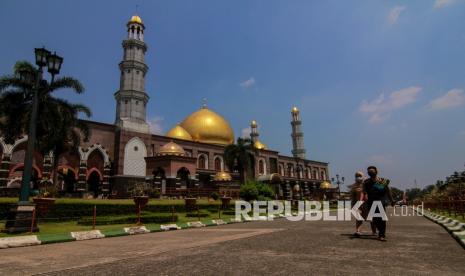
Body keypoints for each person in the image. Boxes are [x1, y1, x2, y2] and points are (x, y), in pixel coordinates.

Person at [362, 166, 395, 241]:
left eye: (372, 171)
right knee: (374, 219)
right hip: (371, 202)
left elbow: (388, 191)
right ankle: (381, 232)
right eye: (369, 172)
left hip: (381, 201)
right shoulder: (366, 182)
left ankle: (382, 234)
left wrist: (392, 200)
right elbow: (364, 191)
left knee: (382, 219)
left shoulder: (382, 181)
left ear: (376, 171)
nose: (370, 173)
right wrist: (365, 196)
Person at [350, 171, 376, 237]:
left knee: (371, 219)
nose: (358, 177)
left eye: (360, 175)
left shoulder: (367, 184)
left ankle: (374, 232)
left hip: (368, 204)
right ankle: (358, 231)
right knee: (358, 218)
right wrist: (353, 206)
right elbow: (352, 197)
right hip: (358, 204)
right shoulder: (354, 186)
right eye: (357, 176)